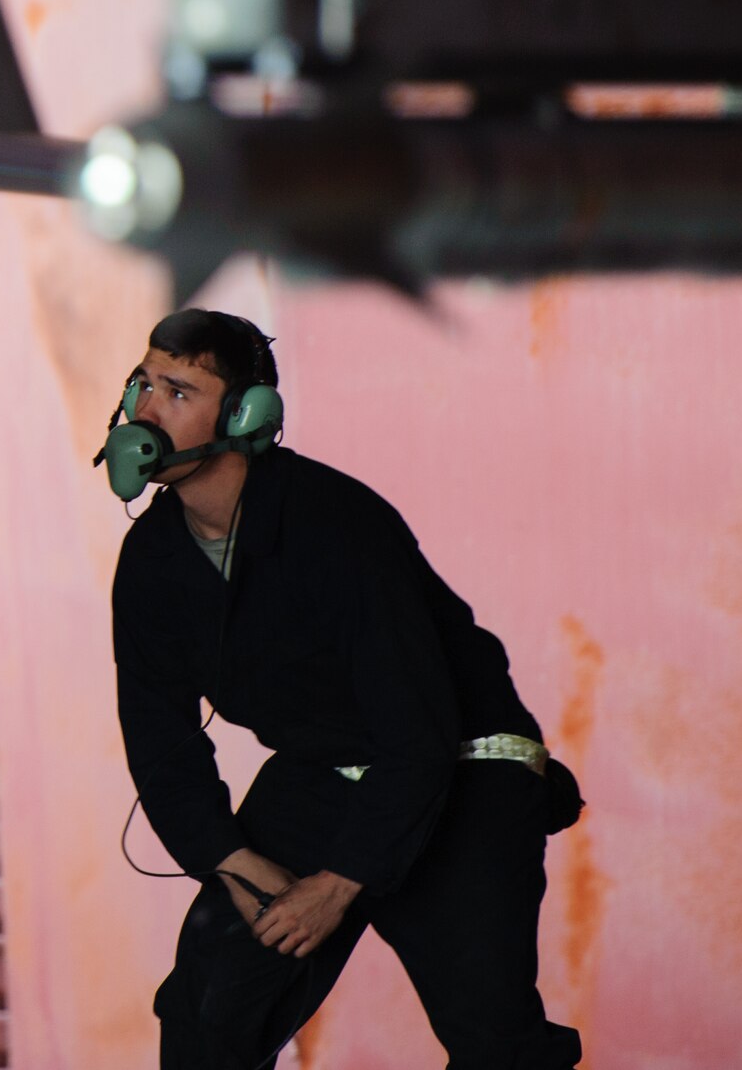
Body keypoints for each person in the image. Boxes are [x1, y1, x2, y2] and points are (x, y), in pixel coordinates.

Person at [105, 308, 583, 1070]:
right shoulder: (152, 561)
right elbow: (160, 740)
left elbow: (418, 728)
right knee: (205, 1013)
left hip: (461, 764)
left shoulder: (337, 524)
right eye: (143, 382)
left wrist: (336, 884)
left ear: (245, 416)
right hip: (322, 773)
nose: (146, 409)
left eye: (178, 389)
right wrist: (231, 858)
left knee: (495, 1040)